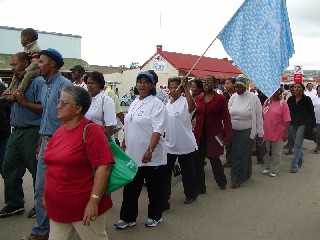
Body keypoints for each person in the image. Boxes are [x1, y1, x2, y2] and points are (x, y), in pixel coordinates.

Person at [43, 86, 114, 240]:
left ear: (78, 109)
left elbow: (104, 167)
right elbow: (51, 166)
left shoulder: (91, 131)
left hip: (82, 206)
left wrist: (93, 201)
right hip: (58, 207)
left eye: (64, 103)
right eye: (58, 102)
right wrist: (46, 194)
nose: (58, 106)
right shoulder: (60, 131)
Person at [24, 48, 72, 240]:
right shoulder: (44, 87)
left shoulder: (65, 86)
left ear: (52, 64)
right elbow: (44, 117)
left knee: (62, 189)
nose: (38, 65)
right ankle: (42, 230)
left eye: (41, 61)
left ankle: (66, 227)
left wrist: (62, 145)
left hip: (60, 143)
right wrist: (39, 143)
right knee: (41, 188)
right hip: (45, 142)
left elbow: (69, 119)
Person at [115, 72, 167, 229]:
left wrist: (150, 149)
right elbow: (130, 124)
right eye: (140, 82)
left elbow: (158, 129)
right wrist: (124, 142)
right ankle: (128, 218)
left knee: (154, 189)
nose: (142, 85)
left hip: (151, 156)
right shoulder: (134, 102)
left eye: (146, 82)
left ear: (152, 86)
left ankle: (156, 216)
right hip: (133, 155)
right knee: (131, 189)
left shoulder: (157, 104)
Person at [0, 52, 44, 219]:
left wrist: (24, 101)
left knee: (36, 170)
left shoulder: (38, 82)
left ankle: (40, 205)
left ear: (26, 63)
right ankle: (14, 203)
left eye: (15, 64)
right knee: (8, 167)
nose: (12, 68)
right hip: (15, 131)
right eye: (11, 65)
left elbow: (45, 108)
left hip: (31, 132)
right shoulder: (15, 82)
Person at [193, 75, 232, 193]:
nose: (206, 84)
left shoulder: (220, 99)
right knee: (198, 161)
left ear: (214, 84)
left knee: (214, 159)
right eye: (204, 81)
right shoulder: (198, 98)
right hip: (199, 134)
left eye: (209, 81)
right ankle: (201, 187)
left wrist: (228, 134)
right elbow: (193, 115)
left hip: (214, 134)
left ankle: (222, 182)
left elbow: (226, 118)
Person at [164, 77, 198, 207]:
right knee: (166, 174)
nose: (173, 90)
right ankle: (164, 198)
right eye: (171, 87)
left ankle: (191, 194)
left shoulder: (185, 101)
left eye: (175, 87)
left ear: (180, 88)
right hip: (169, 145)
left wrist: (185, 88)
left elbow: (192, 106)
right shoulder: (168, 103)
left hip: (185, 145)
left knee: (187, 172)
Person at [228, 75, 263, 189]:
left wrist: (260, 133)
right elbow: (228, 113)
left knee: (243, 154)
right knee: (237, 154)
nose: (238, 89)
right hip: (233, 130)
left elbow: (259, 117)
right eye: (236, 87)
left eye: (240, 87)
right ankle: (241, 175)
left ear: (246, 86)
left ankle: (240, 176)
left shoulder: (253, 98)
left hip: (247, 131)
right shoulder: (233, 97)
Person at [1, 28, 41, 102]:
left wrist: (25, 71)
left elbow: (35, 63)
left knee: (28, 75)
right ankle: (10, 90)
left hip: (36, 69)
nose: (20, 40)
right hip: (30, 68)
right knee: (16, 75)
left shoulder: (35, 49)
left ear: (26, 38)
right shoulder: (27, 48)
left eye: (21, 37)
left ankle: (17, 92)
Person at [287, 82, 316, 173]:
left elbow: (311, 113)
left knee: (297, 144)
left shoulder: (307, 99)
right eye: (295, 87)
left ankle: (294, 165)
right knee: (297, 144)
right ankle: (300, 159)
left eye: (298, 87)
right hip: (292, 124)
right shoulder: (290, 99)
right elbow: (287, 112)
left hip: (302, 124)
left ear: (302, 89)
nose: (296, 89)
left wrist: (313, 126)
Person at [262, 88, 291, 177]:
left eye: (277, 92)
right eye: (273, 91)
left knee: (276, 152)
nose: (274, 93)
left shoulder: (283, 104)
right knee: (264, 150)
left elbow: (287, 120)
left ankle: (274, 169)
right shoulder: (267, 102)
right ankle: (267, 166)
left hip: (278, 132)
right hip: (266, 131)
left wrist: (286, 133)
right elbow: (262, 115)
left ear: (280, 92)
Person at [222, 77, 236, 168]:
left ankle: (233, 160)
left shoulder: (238, 96)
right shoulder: (224, 96)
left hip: (236, 124)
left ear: (234, 84)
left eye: (228, 83)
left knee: (234, 144)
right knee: (227, 144)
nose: (225, 85)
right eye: (225, 83)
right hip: (226, 124)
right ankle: (229, 160)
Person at [313, 85, 320, 153]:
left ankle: (318, 145)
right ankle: (318, 145)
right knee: (318, 133)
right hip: (316, 119)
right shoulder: (315, 98)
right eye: (319, 89)